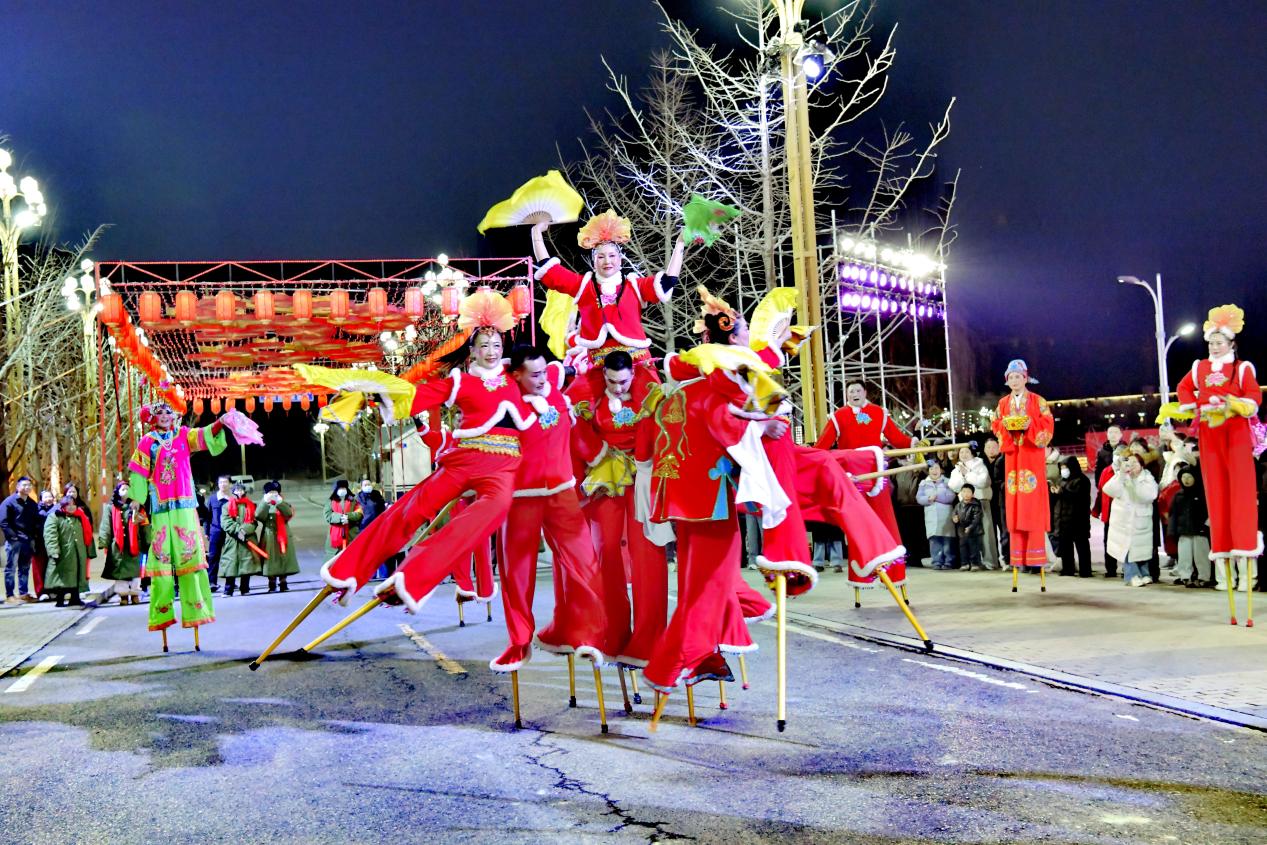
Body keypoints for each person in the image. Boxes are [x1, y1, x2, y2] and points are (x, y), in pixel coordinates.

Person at [320, 290, 536, 616]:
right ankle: (347, 572)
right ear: (472, 351)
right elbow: (421, 395)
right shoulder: (461, 381)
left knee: (480, 520)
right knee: (408, 510)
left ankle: (409, 579)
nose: (491, 352)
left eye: (496, 345)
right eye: (483, 347)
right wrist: (380, 395)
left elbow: (548, 380)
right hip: (464, 459)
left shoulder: (515, 376)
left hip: (503, 467)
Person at [493, 346, 612, 671]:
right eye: (533, 374)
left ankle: (588, 634)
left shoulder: (558, 388)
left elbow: (578, 423)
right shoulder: (505, 404)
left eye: (544, 371)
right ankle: (519, 643)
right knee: (517, 574)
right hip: (521, 498)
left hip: (562, 492)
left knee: (585, 563)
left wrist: (600, 458)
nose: (542, 379)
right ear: (515, 374)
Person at [571, 349, 669, 666]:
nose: (617, 387)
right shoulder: (590, 394)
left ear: (633, 374)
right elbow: (569, 424)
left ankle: (649, 638)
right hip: (607, 476)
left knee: (647, 554)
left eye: (623, 381)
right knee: (605, 552)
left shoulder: (648, 392)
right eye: (611, 381)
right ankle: (611, 634)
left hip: (642, 475)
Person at [530, 210, 684, 405]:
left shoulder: (634, 285)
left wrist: (680, 244)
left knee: (656, 407)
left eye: (612, 255)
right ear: (593, 261)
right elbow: (550, 272)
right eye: (601, 257)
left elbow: (668, 282)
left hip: (636, 363)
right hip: (598, 364)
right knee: (572, 408)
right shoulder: (583, 286)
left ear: (620, 259)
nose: (607, 261)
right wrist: (536, 234)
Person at [126, 400, 248, 635]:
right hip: (161, 508)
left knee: (190, 559)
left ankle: (196, 611)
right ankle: (161, 614)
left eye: (168, 412)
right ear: (152, 419)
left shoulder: (183, 435)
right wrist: (137, 502)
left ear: (174, 417)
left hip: (185, 505)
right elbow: (139, 475)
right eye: (159, 413)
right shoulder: (147, 442)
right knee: (161, 562)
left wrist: (220, 422)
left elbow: (204, 436)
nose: (164, 415)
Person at [1175, 304, 1261, 594]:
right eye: (1211, 342)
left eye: (1219, 343)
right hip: (1210, 436)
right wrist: (1195, 404)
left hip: (1235, 434)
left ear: (1231, 343)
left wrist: (1232, 405)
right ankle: (1224, 576)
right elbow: (1183, 389)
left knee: (1241, 496)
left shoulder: (1242, 368)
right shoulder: (1199, 367)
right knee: (1217, 497)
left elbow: (1252, 398)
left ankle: (1247, 572)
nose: (1214, 347)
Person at [990, 359, 1055, 570]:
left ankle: (1035, 558)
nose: (1015, 380)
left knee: (1032, 503)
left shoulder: (1039, 401)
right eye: (1011, 377)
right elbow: (996, 424)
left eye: (1018, 376)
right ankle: (1017, 557)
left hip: (1031, 454)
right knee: (1015, 503)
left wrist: (1029, 424)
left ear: (1025, 378)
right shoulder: (1002, 404)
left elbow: (1047, 424)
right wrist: (1007, 427)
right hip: (1013, 456)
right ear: (1007, 381)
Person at [1104, 452, 1159, 586]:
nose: (1132, 466)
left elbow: (1148, 495)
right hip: (1123, 521)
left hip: (1141, 520)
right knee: (1127, 548)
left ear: (1141, 466)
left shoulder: (1147, 478)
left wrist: (1135, 483)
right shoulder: (1121, 477)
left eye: (1136, 463)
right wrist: (1122, 475)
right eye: (1130, 463)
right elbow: (1108, 490)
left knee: (1141, 549)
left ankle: (1144, 573)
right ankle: (1131, 575)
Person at [949, 444, 999, 569]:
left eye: (966, 451)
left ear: (972, 453)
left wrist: (968, 474)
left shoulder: (980, 465)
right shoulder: (956, 469)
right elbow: (953, 486)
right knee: (968, 534)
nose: (964, 454)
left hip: (981, 501)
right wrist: (963, 475)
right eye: (961, 452)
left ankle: (989, 561)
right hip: (964, 505)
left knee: (985, 532)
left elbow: (983, 482)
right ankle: (973, 562)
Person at [42, 494, 95, 607]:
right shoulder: (54, 517)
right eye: (68, 505)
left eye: (73, 505)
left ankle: (75, 598)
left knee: (76, 575)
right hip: (63, 553)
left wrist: (89, 551)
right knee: (62, 577)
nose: (71, 507)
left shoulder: (79, 517)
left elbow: (87, 534)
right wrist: (53, 551)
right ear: (63, 506)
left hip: (78, 553)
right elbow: (50, 535)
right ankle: (60, 600)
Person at [99, 481, 147, 604]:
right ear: (118, 492)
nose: (125, 491)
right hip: (118, 546)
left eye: (128, 489)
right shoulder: (111, 508)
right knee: (120, 573)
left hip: (135, 544)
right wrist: (103, 542)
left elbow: (145, 526)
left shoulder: (138, 507)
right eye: (123, 489)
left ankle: (135, 594)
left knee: (135, 572)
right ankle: (123, 596)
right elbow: (106, 526)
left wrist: (148, 540)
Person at [1167, 465, 1211, 587]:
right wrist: (1172, 531)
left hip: (1199, 531)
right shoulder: (1178, 495)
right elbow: (1173, 514)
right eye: (1184, 477)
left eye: (1189, 477)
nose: (1186, 480)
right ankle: (1185, 576)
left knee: (1201, 556)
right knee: (1184, 556)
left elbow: (1209, 512)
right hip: (1183, 531)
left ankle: (1204, 577)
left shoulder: (1203, 494)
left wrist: (1206, 526)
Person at [1052, 456, 1093, 577]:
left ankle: (1085, 570)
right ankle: (1067, 569)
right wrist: (1054, 492)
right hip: (1064, 520)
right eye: (1062, 468)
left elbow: (1079, 497)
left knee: (1082, 546)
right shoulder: (1062, 480)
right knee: (1066, 546)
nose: (1064, 470)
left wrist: (1062, 492)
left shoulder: (1082, 480)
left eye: (1066, 467)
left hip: (1078, 519)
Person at [1, 476, 39, 604]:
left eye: (29, 485)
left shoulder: (32, 503)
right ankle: (10, 595)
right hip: (14, 541)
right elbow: (4, 522)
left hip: (27, 541)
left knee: (24, 568)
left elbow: (35, 522)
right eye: (24, 485)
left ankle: (23, 593)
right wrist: (14, 537)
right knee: (10, 567)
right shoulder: (9, 502)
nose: (27, 487)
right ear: (17, 487)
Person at [220, 482, 261, 596]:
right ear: (233, 492)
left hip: (247, 539)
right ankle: (228, 590)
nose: (239, 492)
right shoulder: (226, 506)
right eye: (237, 490)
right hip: (232, 540)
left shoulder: (251, 505)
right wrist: (237, 531)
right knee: (230, 565)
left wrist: (243, 531)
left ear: (244, 491)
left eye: (241, 490)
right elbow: (225, 522)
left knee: (246, 564)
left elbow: (253, 522)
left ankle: (245, 588)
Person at [256, 480, 298, 593]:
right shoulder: (264, 504)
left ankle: (283, 582)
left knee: (283, 557)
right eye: (270, 492)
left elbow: (289, 514)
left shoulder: (283, 503)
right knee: (270, 559)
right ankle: (271, 583)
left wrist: (280, 503)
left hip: (283, 535)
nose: (273, 494)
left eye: (275, 492)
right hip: (269, 536)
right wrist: (265, 502)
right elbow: (259, 516)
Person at [917, 462, 957, 569]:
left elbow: (951, 496)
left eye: (936, 468)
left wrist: (937, 497)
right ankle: (937, 561)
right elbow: (919, 498)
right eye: (932, 469)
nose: (934, 471)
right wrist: (928, 499)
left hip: (946, 515)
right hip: (931, 516)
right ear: (928, 471)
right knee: (934, 539)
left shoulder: (947, 482)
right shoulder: (923, 483)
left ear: (941, 470)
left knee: (947, 539)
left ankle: (949, 561)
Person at [982, 435, 1008, 563]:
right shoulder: (980, 463)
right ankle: (994, 559)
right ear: (984, 449)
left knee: (1005, 531)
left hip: (1002, 501)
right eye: (988, 447)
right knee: (989, 532)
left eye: (994, 447)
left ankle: (1007, 558)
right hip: (987, 503)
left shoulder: (1004, 460)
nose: (991, 449)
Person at [206, 475, 231, 594]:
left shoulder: (233, 498)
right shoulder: (212, 499)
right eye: (221, 482)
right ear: (218, 484)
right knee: (213, 558)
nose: (223, 484)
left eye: (225, 482)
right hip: (215, 532)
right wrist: (207, 532)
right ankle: (212, 582)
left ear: (229, 484)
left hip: (230, 533)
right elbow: (207, 516)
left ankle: (230, 581)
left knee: (230, 558)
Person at [324, 479, 363, 557]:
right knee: (335, 559)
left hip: (351, 534)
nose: (342, 490)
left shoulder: (353, 500)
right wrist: (340, 517)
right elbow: (327, 515)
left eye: (344, 488)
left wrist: (348, 516)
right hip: (336, 535)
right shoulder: (330, 501)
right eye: (340, 488)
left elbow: (359, 513)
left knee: (352, 556)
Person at [951, 484, 984, 571]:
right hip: (962, 531)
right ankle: (964, 563)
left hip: (973, 531)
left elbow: (977, 519)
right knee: (963, 548)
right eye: (964, 491)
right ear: (960, 493)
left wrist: (970, 527)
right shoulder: (958, 505)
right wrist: (954, 518)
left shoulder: (976, 505)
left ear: (973, 494)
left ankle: (975, 564)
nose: (966, 494)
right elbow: (954, 513)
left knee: (974, 548)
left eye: (968, 492)